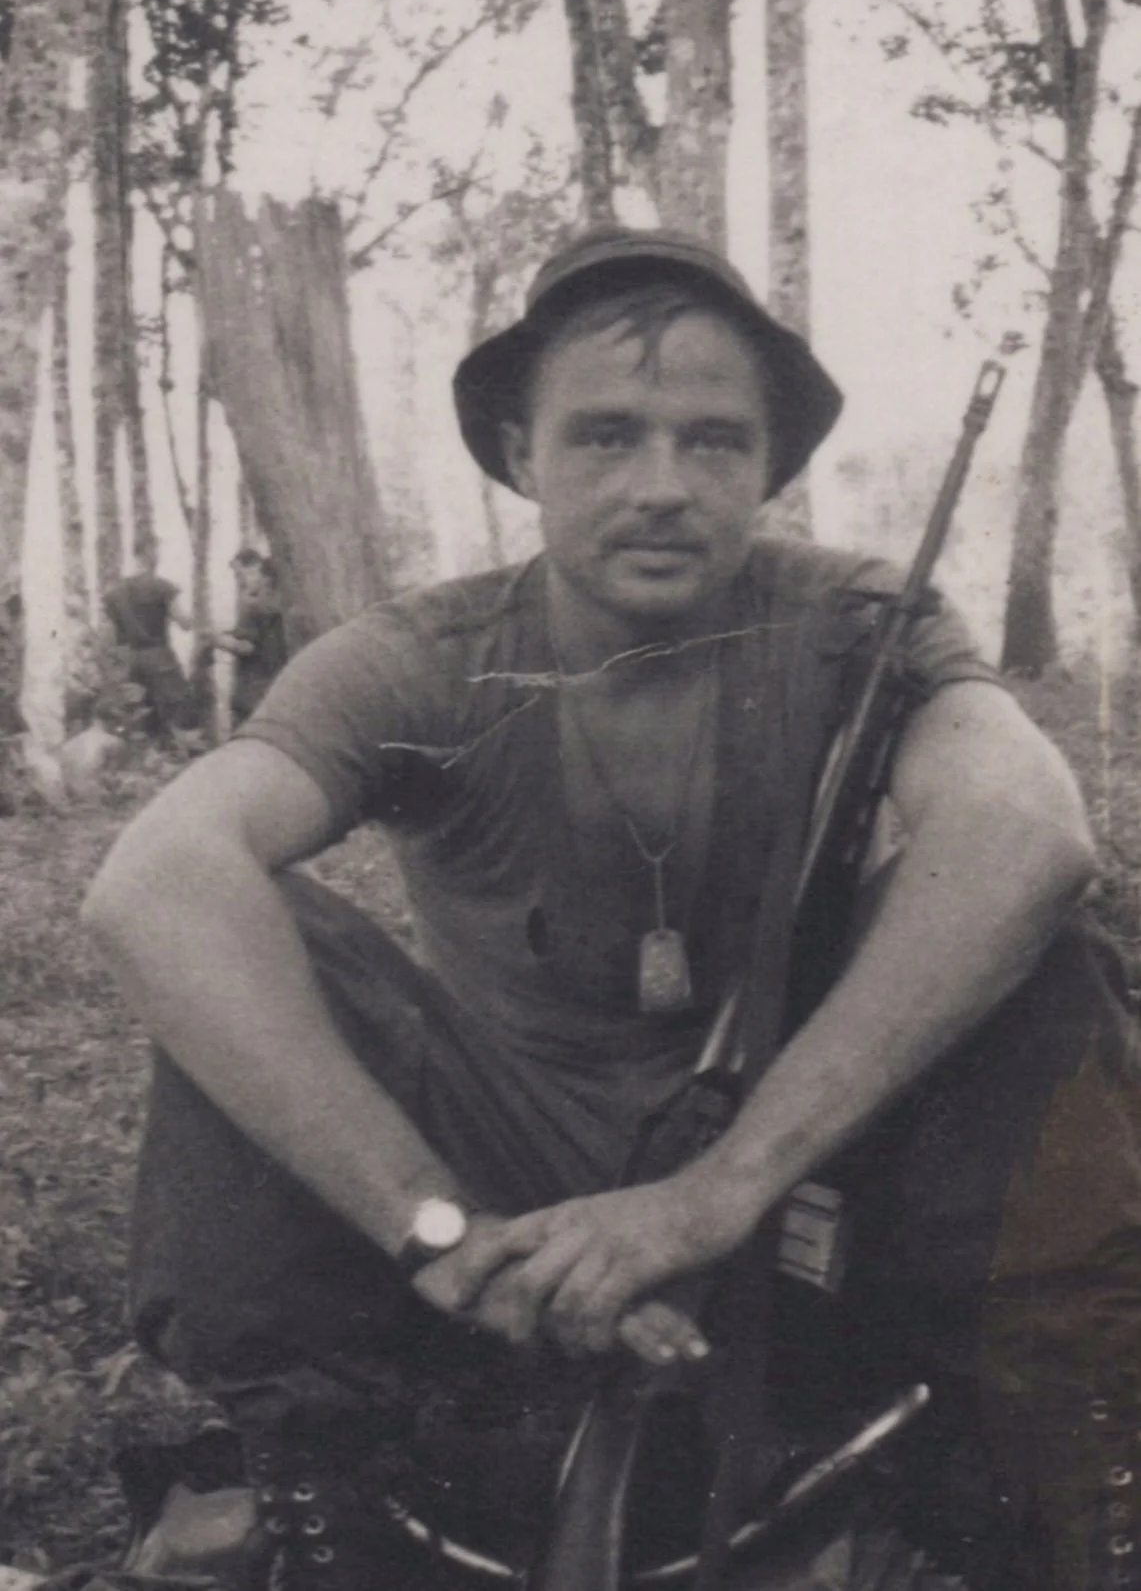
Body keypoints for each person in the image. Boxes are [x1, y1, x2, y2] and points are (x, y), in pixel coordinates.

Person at [84, 229, 1141, 1591]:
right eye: (603, 438)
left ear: (770, 465)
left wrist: (716, 1194)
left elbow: (1025, 829)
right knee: (251, 946)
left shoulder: (855, 621)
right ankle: (329, 1493)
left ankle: (1051, 1480)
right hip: (503, 1191)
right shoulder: (420, 659)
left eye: (711, 441)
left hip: (804, 1165)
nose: (661, 487)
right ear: (520, 456)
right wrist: (438, 1231)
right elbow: (153, 880)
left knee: (1045, 962)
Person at [103, 551, 193, 743]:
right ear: (152, 561)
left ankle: (145, 755)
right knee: (176, 705)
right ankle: (176, 752)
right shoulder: (161, 586)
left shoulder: (115, 592)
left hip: (132, 658)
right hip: (159, 655)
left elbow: (112, 632)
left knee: (139, 710)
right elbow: (185, 623)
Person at [213, 551, 288, 728]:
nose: (240, 580)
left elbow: (247, 647)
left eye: (241, 573)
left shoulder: (253, 607)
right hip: (276, 680)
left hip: (252, 687)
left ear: (257, 570)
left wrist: (216, 640)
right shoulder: (279, 604)